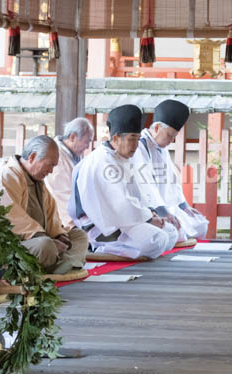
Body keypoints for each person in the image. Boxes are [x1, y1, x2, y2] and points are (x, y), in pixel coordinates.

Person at [70, 104, 178, 259]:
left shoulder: (123, 158)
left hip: (126, 218)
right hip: (103, 227)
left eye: (138, 140)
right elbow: (120, 203)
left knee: (171, 233)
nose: (136, 145)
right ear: (115, 138)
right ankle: (103, 247)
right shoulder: (102, 160)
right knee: (157, 239)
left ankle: (128, 247)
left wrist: (150, 212)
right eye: (131, 139)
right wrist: (148, 218)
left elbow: (137, 194)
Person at [0, 135, 88, 274]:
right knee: (45, 245)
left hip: (43, 238)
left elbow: (52, 217)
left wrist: (59, 235)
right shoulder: (7, 176)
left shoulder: (38, 180)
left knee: (79, 236)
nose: (51, 171)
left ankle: (63, 263)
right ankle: (63, 263)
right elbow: (11, 219)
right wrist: (43, 238)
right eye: (50, 164)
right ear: (32, 157)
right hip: (14, 245)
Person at [135, 99, 208, 240]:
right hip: (154, 211)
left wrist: (184, 205)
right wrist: (163, 211)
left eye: (174, 137)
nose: (172, 141)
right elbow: (147, 185)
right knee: (177, 233)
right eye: (170, 135)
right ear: (157, 128)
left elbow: (172, 179)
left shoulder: (162, 148)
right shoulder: (141, 147)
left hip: (170, 206)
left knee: (200, 224)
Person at [46, 117, 94, 227]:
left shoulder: (75, 154)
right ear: (72, 137)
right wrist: (75, 227)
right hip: (63, 221)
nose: (87, 147)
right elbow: (63, 197)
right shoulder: (57, 156)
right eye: (86, 142)